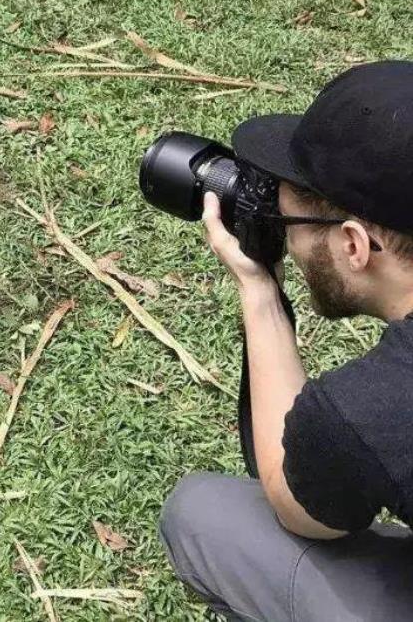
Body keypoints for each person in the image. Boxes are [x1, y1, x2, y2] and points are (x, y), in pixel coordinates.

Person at [159, 61, 413, 621]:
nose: (285, 238)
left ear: (355, 246)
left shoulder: (372, 412)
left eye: (290, 222)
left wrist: (259, 289)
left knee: (204, 516)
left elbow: (297, 507)